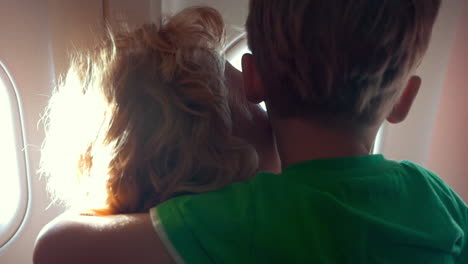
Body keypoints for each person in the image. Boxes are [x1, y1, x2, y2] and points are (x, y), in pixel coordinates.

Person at [36, 0, 468, 263]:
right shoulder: (436, 197)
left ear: (257, 76)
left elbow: (53, 247)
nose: (260, 111)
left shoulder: (238, 219)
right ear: (404, 99)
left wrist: (120, 202)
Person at [34, 6, 278, 264]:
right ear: (230, 157)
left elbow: (55, 242)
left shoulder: (161, 244)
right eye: (253, 103)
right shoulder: (259, 224)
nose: (268, 109)